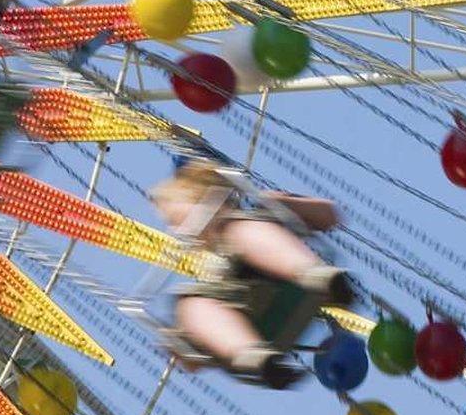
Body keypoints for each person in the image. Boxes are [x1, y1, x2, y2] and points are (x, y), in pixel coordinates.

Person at [149, 158, 350, 388]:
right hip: (253, 322)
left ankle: (318, 276)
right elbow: (200, 353)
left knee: (240, 229)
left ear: (200, 196)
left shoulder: (254, 219)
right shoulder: (212, 282)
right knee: (190, 306)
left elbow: (330, 216)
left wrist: (284, 205)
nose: (177, 230)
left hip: (290, 278)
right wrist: (186, 350)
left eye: (177, 219)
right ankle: (253, 356)